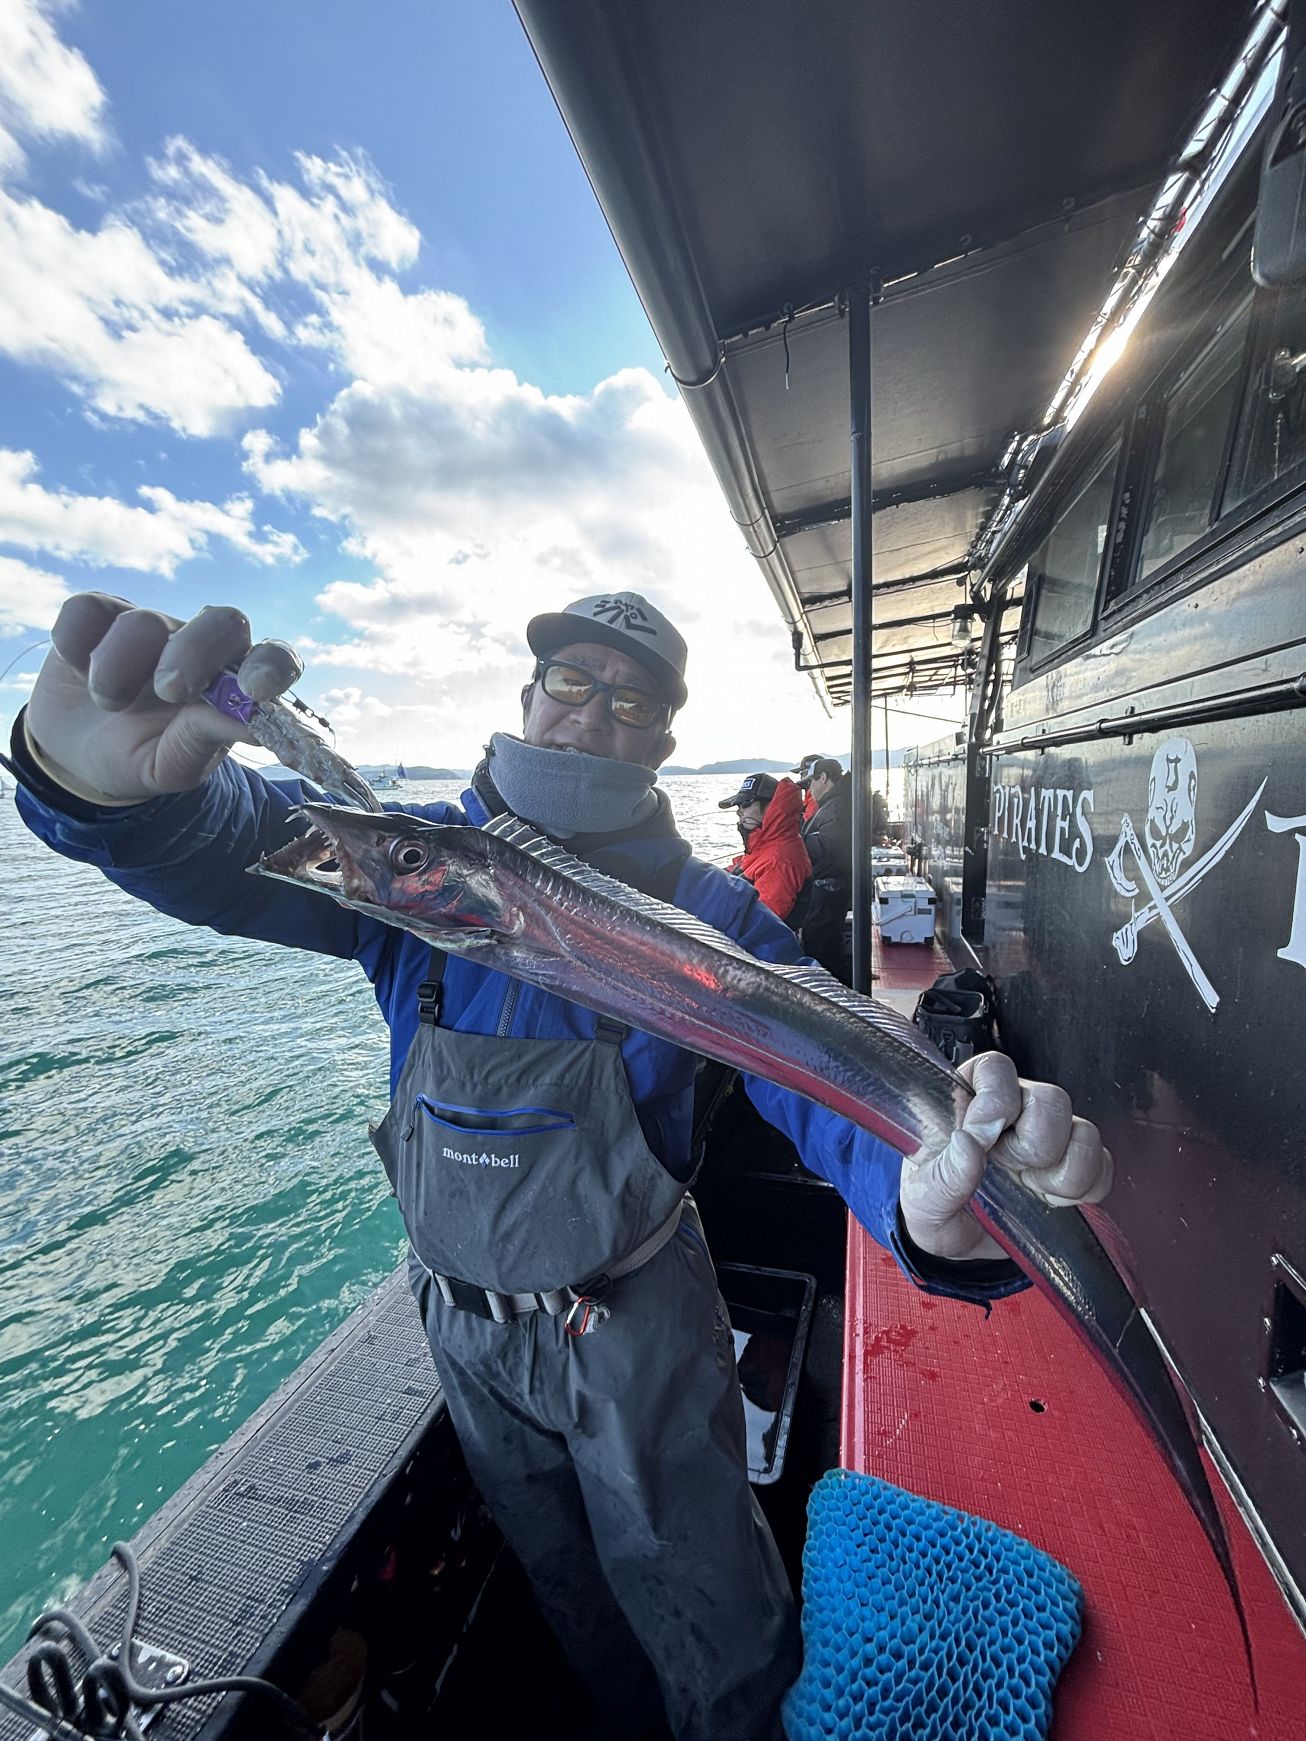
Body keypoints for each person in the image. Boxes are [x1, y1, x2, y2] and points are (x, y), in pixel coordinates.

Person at [7, 588, 1113, 1741]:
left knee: (708, 1600)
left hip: (637, 1324)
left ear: (662, 741)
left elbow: (811, 1063)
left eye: (629, 700)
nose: (591, 712)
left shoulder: (709, 909)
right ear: (529, 696)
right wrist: (100, 791)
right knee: (565, 1585)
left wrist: (923, 1197)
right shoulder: (419, 861)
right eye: (572, 681)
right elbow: (243, 837)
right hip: (461, 1323)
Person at [719, 771, 812, 925]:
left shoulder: (779, 860)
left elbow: (760, 922)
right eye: (738, 806)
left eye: (746, 804)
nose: (739, 812)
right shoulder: (766, 846)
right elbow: (743, 868)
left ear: (771, 806)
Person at [797, 756, 853, 981]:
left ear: (823, 778)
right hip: (829, 890)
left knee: (821, 947)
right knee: (825, 946)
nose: (809, 789)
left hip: (829, 891)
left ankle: (834, 992)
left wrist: (797, 840)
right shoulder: (834, 803)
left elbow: (830, 848)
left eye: (810, 782)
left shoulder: (837, 807)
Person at [790, 752, 821, 822]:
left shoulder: (815, 801)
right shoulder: (809, 798)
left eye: (802, 773)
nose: (801, 778)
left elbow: (807, 823)